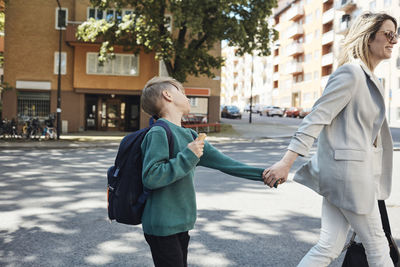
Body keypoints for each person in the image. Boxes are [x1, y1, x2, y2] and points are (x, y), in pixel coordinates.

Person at [263, 12, 398, 267]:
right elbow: (315, 118)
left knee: (329, 245)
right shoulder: (351, 74)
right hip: (350, 178)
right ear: (368, 37)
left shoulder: (370, 78)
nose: (394, 40)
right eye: (388, 34)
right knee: (378, 246)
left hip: (349, 177)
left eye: (396, 34)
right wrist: (286, 162)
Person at [140, 76, 268, 267]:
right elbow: (151, 176)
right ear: (168, 95)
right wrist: (188, 156)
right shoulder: (158, 132)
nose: (186, 96)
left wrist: (264, 175)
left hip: (181, 222)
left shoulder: (190, 135)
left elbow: (226, 163)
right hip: (161, 225)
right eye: (181, 92)